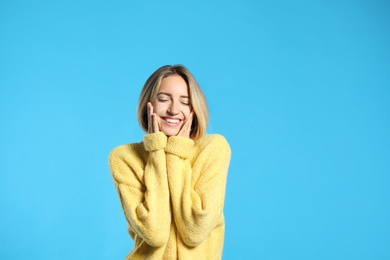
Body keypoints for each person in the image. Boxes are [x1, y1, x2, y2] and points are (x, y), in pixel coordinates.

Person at [108, 64, 231, 259]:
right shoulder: (124, 157)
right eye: (164, 99)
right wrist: (156, 151)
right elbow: (154, 233)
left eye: (185, 101)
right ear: (149, 104)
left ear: (194, 108)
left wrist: (175, 154)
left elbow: (194, 230)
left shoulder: (213, 148)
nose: (174, 110)